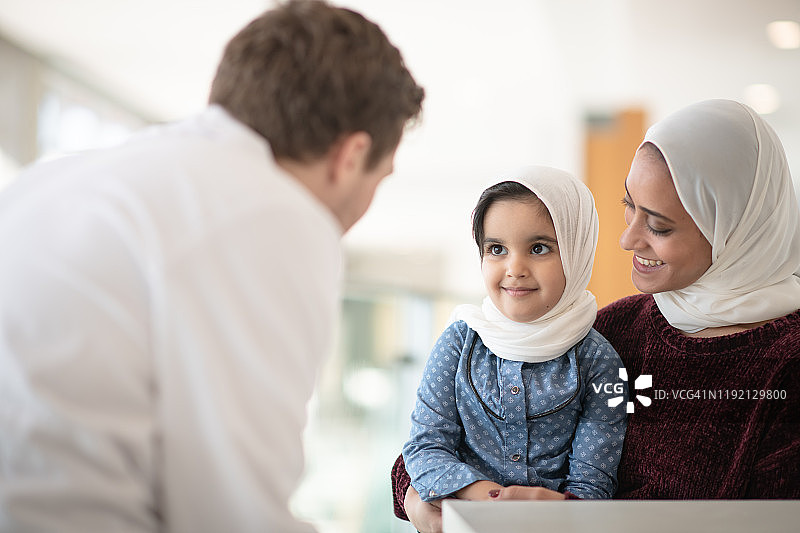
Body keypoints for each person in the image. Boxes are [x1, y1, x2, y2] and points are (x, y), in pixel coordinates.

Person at [0, 2, 423, 532]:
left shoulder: (59, 179)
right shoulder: (275, 213)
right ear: (351, 156)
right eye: (378, 180)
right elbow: (233, 514)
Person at [392, 99, 800, 532]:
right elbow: (427, 451)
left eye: (658, 225)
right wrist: (418, 497)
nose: (627, 238)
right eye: (630, 205)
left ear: (736, 228)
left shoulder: (787, 366)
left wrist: (573, 518)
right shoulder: (619, 327)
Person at [402, 168, 628, 508]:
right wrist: (493, 500)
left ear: (577, 251)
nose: (514, 268)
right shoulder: (459, 342)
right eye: (496, 249)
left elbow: (592, 487)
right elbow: (424, 448)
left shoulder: (601, 362)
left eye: (538, 248)